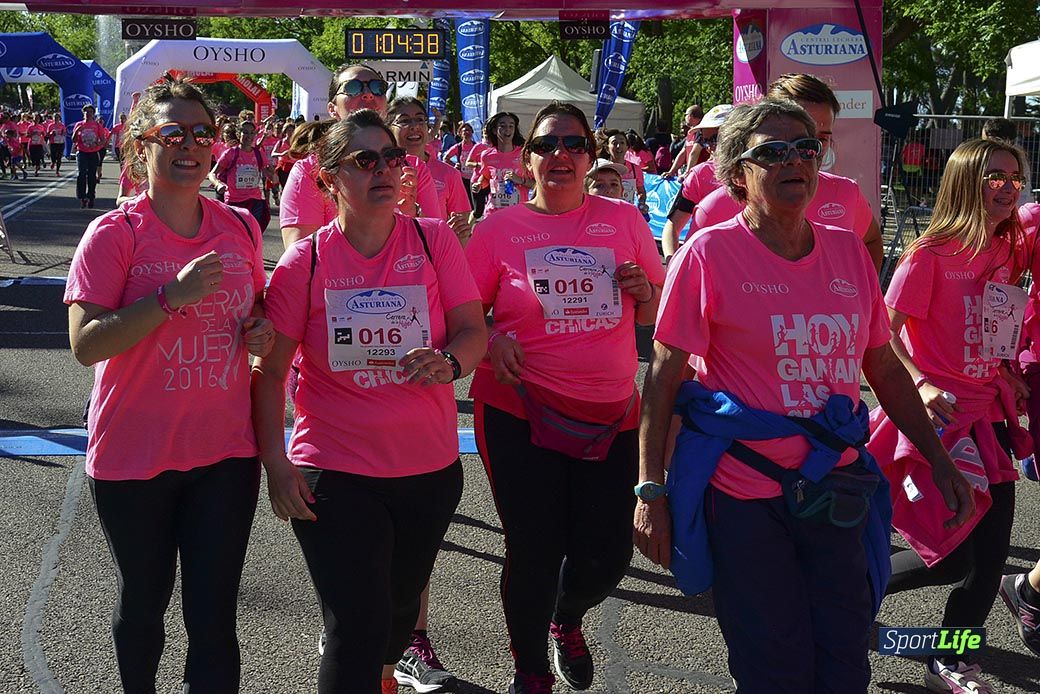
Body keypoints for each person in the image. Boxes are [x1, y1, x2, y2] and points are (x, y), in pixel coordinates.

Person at [636, 98, 974, 694]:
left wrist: (939, 459)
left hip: (835, 490)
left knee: (845, 662)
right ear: (737, 174)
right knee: (774, 666)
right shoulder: (708, 254)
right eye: (772, 151)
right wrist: (650, 491)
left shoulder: (847, 251)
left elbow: (883, 367)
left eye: (805, 148)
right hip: (746, 495)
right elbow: (664, 377)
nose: (794, 160)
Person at [252, 109, 486, 694]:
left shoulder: (432, 240)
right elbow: (270, 371)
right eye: (364, 160)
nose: (383, 169)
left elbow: (471, 329)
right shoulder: (305, 262)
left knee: (399, 612)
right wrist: (276, 464)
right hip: (335, 471)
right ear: (330, 179)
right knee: (356, 624)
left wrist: (451, 361)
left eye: (391, 157)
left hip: (428, 468)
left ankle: (383, 678)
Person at [64, 79, 273, 694]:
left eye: (202, 133)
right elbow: (86, 344)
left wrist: (259, 329)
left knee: (214, 615)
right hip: (135, 454)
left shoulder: (240, 227)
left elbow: (255, 307)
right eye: (173, 133)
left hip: (225, 453)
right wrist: (169, 297)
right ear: (141, 147)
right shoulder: (114, 234)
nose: (191, 145)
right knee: (144, 601)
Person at [465, 101, 665, 693]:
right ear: (527, 159)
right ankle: (530, 673)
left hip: (611, 412)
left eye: (575, 144)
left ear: (590, 156)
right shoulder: (498, 230)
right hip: (519, 407)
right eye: (547, 144)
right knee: (534, 547)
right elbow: (463, 316)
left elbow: (654, 311)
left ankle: (567, 615)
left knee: (608, 554)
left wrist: (644, 289)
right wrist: (493, 339)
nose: (561, 154)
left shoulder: (624, 219)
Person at [868, 137, 1029, 692]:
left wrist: (1005, 373)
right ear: (965, 182)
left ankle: (950, 660)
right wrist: (920, 382)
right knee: (953, 556)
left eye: (1015, 177)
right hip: (937, 423)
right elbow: (880, 337)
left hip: (989, 418)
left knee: (988, 559)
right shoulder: (928, 255)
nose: (1008, 187)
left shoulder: (1006, 253)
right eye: (995, 177)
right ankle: (839, 592)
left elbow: (993, 329)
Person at [692, 73, 885, 270]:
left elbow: (871, 242)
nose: (804, 153)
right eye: (792, 139)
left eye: (821, 139)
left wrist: (862, 287)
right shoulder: (714, 209)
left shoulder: (845, 193)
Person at [279, 63, 444, 250]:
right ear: (332, 109)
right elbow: (301, 258)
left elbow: (436, 247)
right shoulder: (309, 171)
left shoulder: (413, 167)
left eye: (377, 87)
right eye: (353, 88)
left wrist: (412, 213)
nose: (368, 94)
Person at [388, 97, 473, 246]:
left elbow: (462, 227)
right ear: (389, 128)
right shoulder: (379, 172)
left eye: (420, 119)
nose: (414, 126)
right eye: (404, 121)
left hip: (432, 252)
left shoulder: (449, 174)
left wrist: (453, 236)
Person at [660, 104, 733, 262]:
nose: (709, 148)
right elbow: (672, 227)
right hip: (700, 266)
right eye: (705, 141)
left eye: (715, 139)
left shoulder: (763, 174)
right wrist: (672, 262)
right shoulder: (699, 175)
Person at [208, 119, 272, 231]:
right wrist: (218, 184)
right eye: (245, 132)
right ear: (238, 134)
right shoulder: (230, 153)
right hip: (234, 201)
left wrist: (272, 174)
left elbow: (270, 175)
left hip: (254, 200)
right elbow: (212, 173)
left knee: (252, 232)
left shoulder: (259, 154)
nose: (249, 136)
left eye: (252, 133)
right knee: (236, 232)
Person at [472, 112, 531, 217]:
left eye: (511, 126)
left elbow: (536, 184)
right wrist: (479, 184)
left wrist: (520, 180)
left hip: (518, 214)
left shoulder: (524, 155)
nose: (507, 129)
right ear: (495, 130)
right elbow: (486, 177)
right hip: (494, 212)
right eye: (502, 126)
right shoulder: (487, 155)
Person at [599, 128, 649, 215]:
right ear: (607, 149)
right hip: (605, 211)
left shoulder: (635, 169)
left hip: (626, 213)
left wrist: (641, 203)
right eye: (614, 143)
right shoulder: (601, 167)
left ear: (627, 147)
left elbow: (641, 191)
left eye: (622, 143)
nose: (619, 146)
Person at [72, 104, 108, 208]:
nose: (88, 114)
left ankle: (91, 196)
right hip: (82, 152)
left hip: (93, 152)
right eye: (86, 112)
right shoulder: (79, 124)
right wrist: (77, 131)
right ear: (83, 113)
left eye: (90, 112)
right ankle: (82, 197)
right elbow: (74, 140)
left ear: (93, 114)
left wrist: (98, 144)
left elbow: (103, 140)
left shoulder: (97, 125)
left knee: (92, 175)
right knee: (81, 174)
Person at [662, 104, 704, 178]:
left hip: (700, 174)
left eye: (685, 115)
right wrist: (671, 172)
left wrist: (687, 173)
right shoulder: (690, 132)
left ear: (690, 116)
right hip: (692, 174)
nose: (684, 117)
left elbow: (694, 153)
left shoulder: (702, 131)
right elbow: (683, 152)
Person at [444, 121, 477, 208]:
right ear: (460, 134)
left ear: (472, 132)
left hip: (475, 178)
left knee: (475, 203)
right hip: (462, 178)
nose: (467, 132)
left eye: (469, 130)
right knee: (465, 202)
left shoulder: (476, 146)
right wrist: (454, 165)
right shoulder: (458, 147)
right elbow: (446, 158)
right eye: (464, 131)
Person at [47, 111, 66, 176]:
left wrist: (63, 133)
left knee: (59, 157)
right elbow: (47, 135)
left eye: (57, 117)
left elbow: (65, 133)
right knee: (53, 156)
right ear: (53, 118)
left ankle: (57, 171)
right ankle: (53, 162)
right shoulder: (50, 125)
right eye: (55, 117)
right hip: (53, 143)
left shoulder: (62, 125)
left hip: (61, 142)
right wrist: (51, 133)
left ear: (59, 118)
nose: (56, 119)